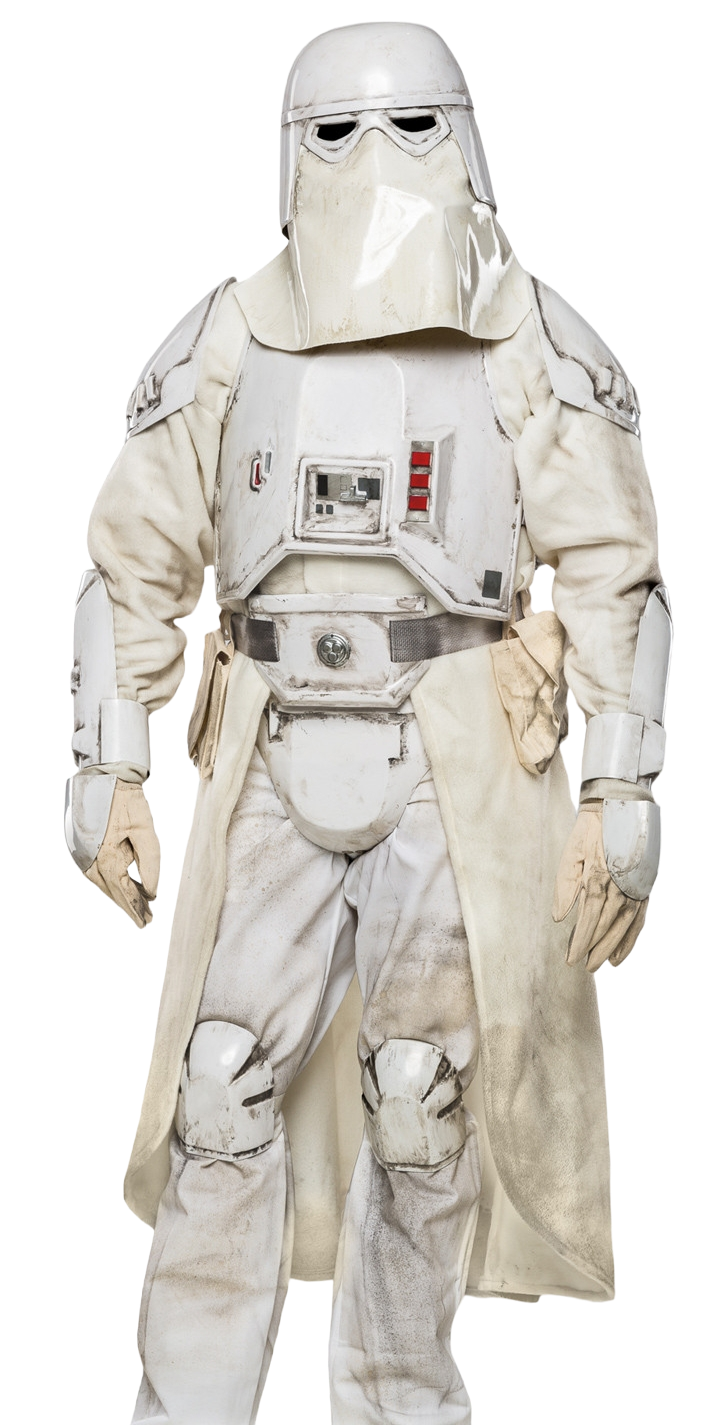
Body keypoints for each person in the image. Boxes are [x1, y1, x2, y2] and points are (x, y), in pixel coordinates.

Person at [65, 21, 670, 1425]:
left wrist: (622, 786)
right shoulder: (229, 333)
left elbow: (616, 566)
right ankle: (187, 1404)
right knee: (224, 1081)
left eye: (407, 128)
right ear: (293, 149)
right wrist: (109, 759)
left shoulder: (527, 336)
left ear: (462, 139)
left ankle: (403, 1397)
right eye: (337, 131)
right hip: (273, 736)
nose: (373, 161)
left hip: (454, 745)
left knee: (421, 1093)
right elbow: (131, 556)